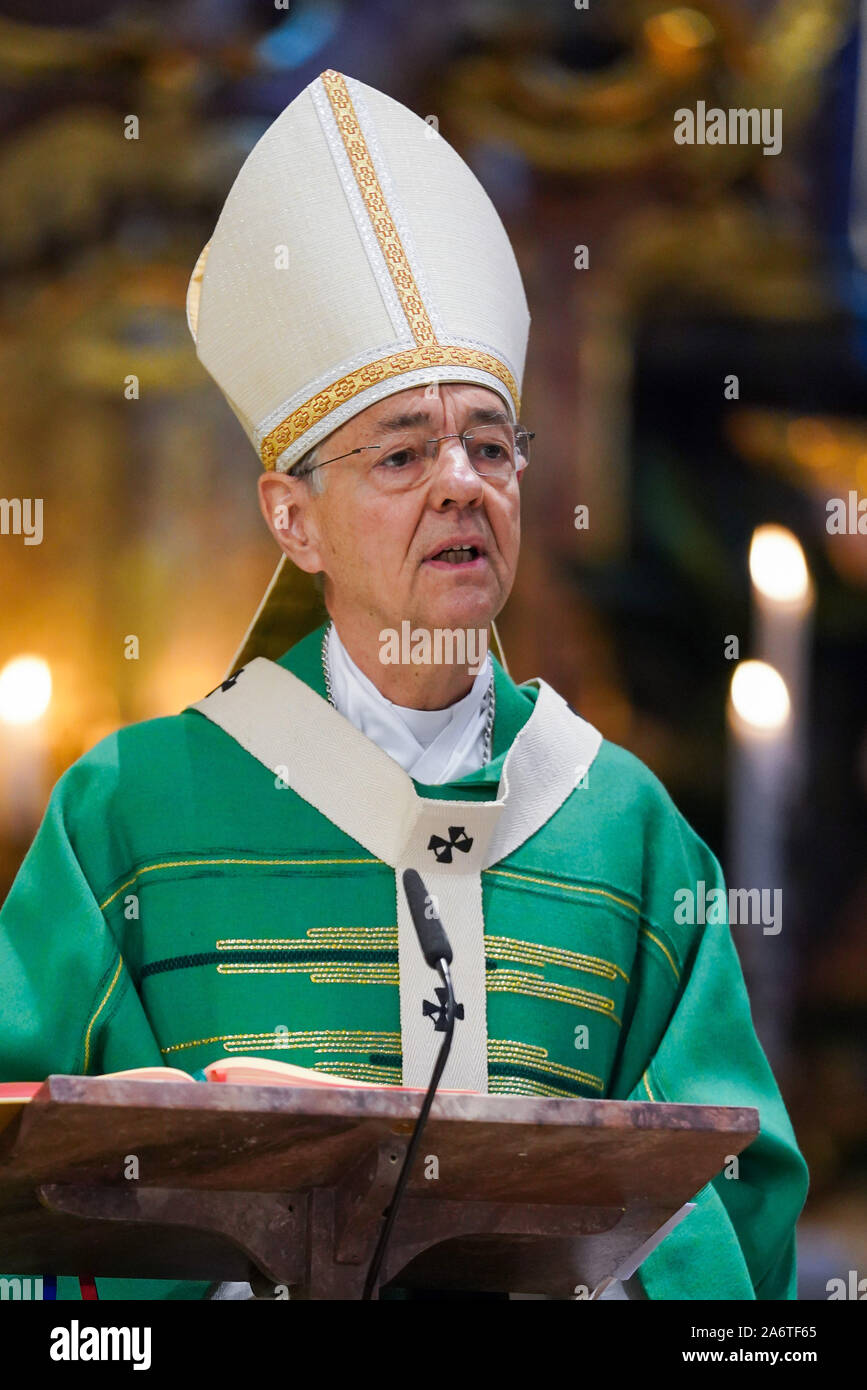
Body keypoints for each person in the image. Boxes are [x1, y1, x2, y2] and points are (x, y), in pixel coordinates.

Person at [0, 70, 807, 1300]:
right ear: (295, 518)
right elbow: (24, 1200)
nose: (461, 483)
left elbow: (740, 1206)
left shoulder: (629, 835)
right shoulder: (125, 821)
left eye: (491, 443)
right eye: (401, 451)